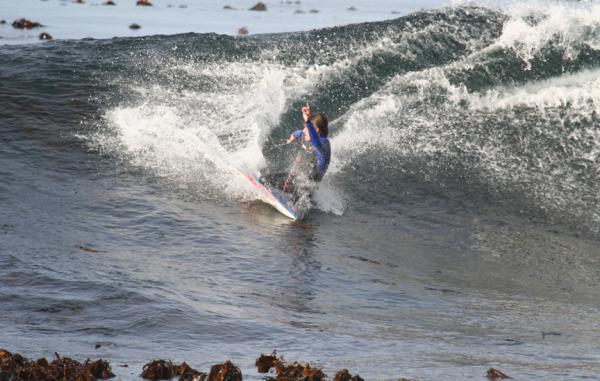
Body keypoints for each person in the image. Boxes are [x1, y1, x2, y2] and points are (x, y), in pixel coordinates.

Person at [263, 104, 331, 198]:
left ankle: (295, 205)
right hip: (299, 178)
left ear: (316, 130)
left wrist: (307, 121)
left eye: (307, 128)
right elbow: (297, 133)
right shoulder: (305, 134)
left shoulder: (323, 144)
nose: (304, 130)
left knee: (301, 189)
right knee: (266, 180)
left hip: (309, 186)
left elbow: (315, 142)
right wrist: (291, 139)